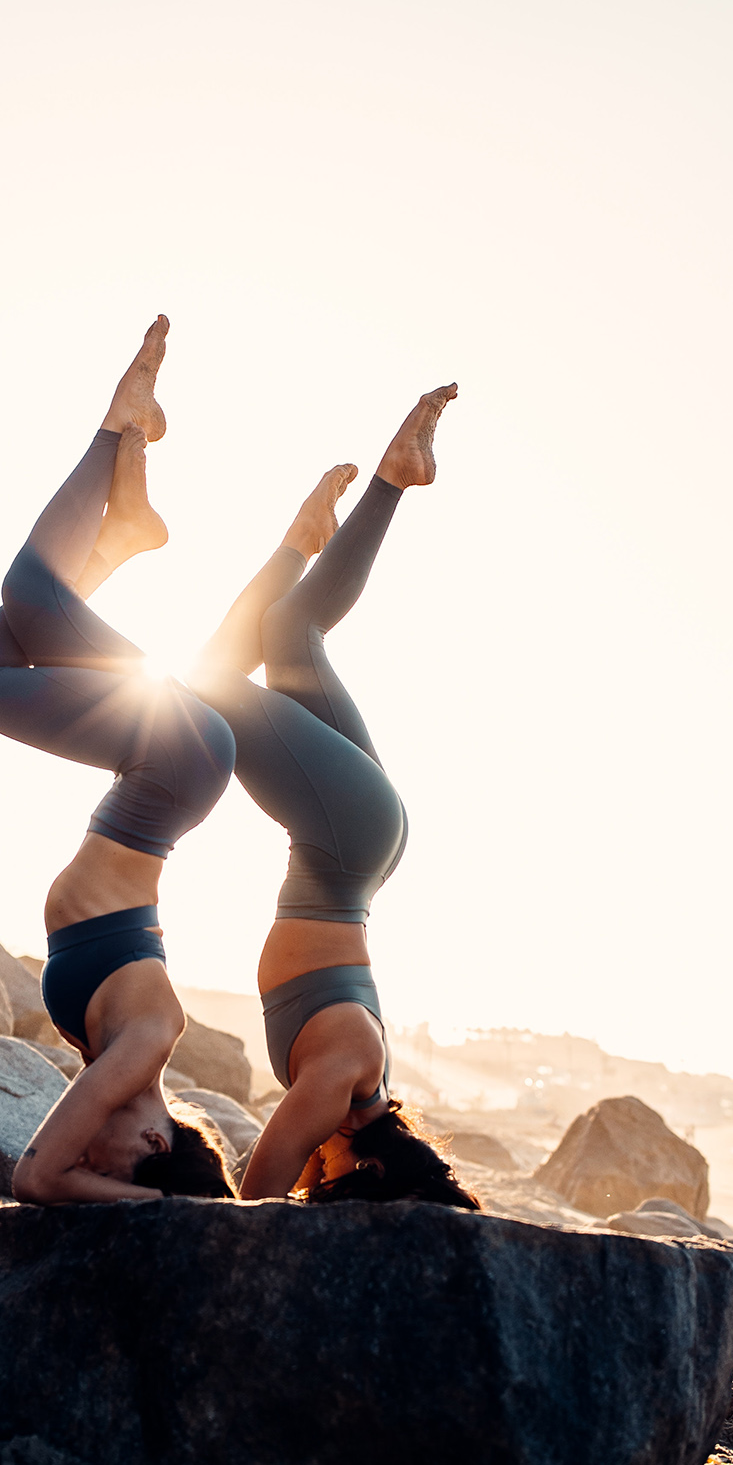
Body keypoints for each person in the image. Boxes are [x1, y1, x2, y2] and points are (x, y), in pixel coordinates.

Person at [0, 317, 236, 1204]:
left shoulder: (119, 1053)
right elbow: (39, 1176)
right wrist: (161, 1209)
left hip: (156, 775)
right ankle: (118, 426)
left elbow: (59, 1168)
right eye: (119, 1164)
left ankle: (120, 536)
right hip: (172, 764)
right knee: (27, 595)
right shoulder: (144, 1048)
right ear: (157, 1135)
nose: (91, 1159)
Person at [189, 384, 478, 1209]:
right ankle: (316, 530)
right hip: (343, 844)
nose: (322, 1177)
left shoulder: (361, 1088)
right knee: (203, 686)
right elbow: (251, 1200)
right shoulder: (341, 1090)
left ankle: (384, 484)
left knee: (286, 634)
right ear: (373, 1171)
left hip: (359, 850)